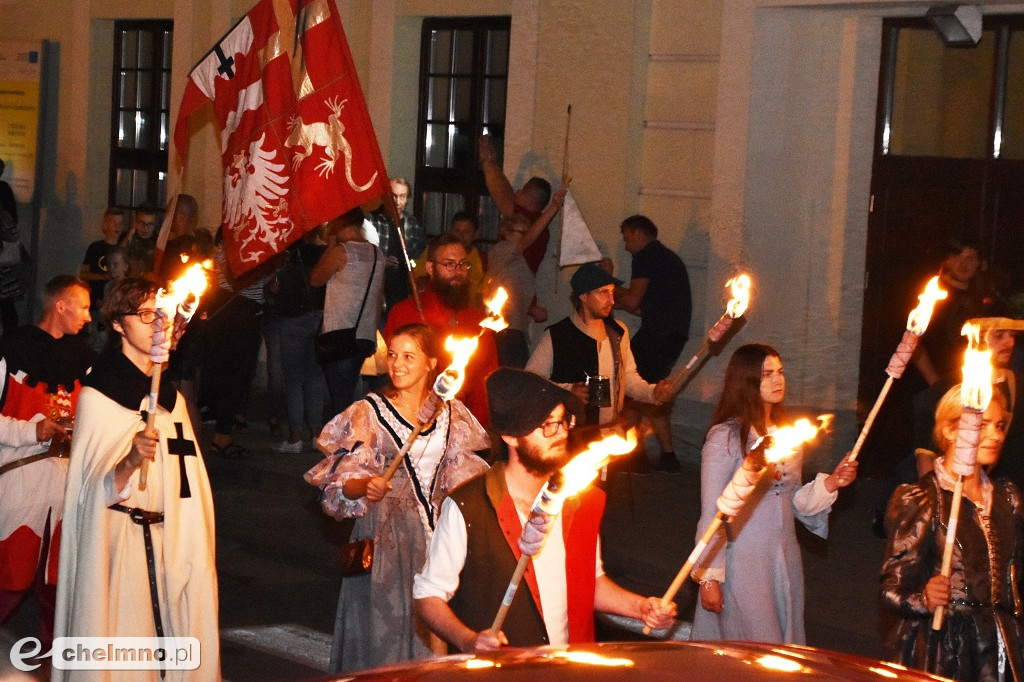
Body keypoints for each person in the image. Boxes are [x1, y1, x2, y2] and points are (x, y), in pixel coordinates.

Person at [413, 368, 677, 651]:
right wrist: (467, 640)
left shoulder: (578, 499)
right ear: (511, 436)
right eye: (547, 425)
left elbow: (590, 581)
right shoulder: (468, 507)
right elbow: (428, 597)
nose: (560, 433)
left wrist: (641, 607)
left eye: (563, 422)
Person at [53, 277, 220, 681]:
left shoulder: (171, 401)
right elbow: (87, 491)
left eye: (162, 315)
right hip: (119, 546)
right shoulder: (100, 392)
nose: (157, 324)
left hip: (173, 542)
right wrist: (128, 460)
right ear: (117, 324)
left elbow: (191, 485)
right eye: (145, 315)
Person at [305, 323, 489, 672]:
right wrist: (366, 485)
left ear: (431, 363)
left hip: (437, 538)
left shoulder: (452, 413)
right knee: (384, 637)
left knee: (433, 633)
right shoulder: (368, 410)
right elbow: (342, 481)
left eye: (408, 356)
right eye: (392, 355)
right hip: (387, 538)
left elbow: (465, 480)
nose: (397, 364)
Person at [690, 344, 857, 644]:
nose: (778, 380)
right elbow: (712, 514)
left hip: (782, 559)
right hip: (743, 561)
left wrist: (832, 483)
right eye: (767, 374)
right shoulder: (725, 438)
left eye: (780, 372)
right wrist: (709, 577)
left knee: (783, 649)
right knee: (750, 649)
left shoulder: (786, 435)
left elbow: (791, 499)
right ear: (747, 381)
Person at [881, 386, 1022, 680]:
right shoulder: (922, 500)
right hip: (946, 650)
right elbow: (891, 589)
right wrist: (924, 597)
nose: (996, 435)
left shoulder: (1008, 497)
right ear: (949, 430)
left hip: (1001, 649)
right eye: (983, 425)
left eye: (999, 426)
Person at [0, 276, 95, 650]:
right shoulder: (10, 352)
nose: (89, 317)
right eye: (83, 307)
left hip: (65, 484)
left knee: (59, 586)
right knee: (9, 579)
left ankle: (56, 665)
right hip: (19, 480)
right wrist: (32, 432)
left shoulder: (85, 361)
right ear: (61, 305)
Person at [526, 262, 671, 430]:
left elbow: (628, 378)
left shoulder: (618, 332)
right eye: (603, 292)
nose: (611, 300)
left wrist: (653, 393)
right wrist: (567, 391)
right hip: (575, 438)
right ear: (583, 296)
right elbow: (531, 381)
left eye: (612, 292)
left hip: (611, 433)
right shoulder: (557, 336)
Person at [384, 233, 498, 427]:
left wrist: (480, 426)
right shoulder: (405, 312)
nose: (458, 271)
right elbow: (395, 370)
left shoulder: (478, 321)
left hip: (465, 424)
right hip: (416, 421)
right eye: (449, 264)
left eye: (463, 264)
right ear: (430, 268)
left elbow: (487, 378)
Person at [613, 215, 692, 473]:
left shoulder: (646, 257)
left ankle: (640, 455)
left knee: (632, 386)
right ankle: (658, 455)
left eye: (626, 237)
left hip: (658, 335)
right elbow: (645, 309)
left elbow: (633, 301)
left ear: (637, 233)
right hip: (671, 335)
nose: (625, 245)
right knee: (649, 391)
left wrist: (606, 284)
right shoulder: (667, 259)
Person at [311, 208, 385, 415]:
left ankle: (345, 443)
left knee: (340, 399)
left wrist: (331, 245)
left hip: (338, 334)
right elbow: (378, 297)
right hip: (364, 335)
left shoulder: (341, 251)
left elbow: (315, 279)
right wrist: (373, 332)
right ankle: (349, 441)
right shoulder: (377, 253)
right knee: (350, 390)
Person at [272, 228, 328, 452]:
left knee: (293, 379)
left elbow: (276, 287)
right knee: (314, 378)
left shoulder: (288, 254)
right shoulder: (326, 252)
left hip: (292, 317)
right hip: (317, 315)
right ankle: (316, 433)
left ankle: (295, 437)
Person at [478, 135, 556, 273]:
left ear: (531, 200)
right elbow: (506, 193)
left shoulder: (529, 222)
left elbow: (502, 195)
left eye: (523, 190)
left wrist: (488, 162)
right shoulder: (535, 222)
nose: (518, 191)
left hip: (514, 288)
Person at [365, 178, 428, 313]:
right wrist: (382, 262)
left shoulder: (413, 224)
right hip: (376, 291)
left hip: (403, 290)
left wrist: (412, 264)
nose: (398, 202)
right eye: (393, 196)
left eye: (402, 196)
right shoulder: (371, 221)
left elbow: (421, 258)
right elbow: (362, 257)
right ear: (384, 197)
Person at [411, 212, 486, 306]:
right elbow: (417, 279)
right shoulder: (436, 252)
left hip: (469, 313)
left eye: (466, 232)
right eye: (457, 231)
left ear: (476, 234)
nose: (461, 236)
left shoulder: (483, 259)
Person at [121, 205, 159, 275]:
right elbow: (118, 255)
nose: (145, 228)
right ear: (135, 222)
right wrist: (132, 230)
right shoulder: (127, 237)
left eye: (150, 224)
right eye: (142, 223)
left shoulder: (159, 242)